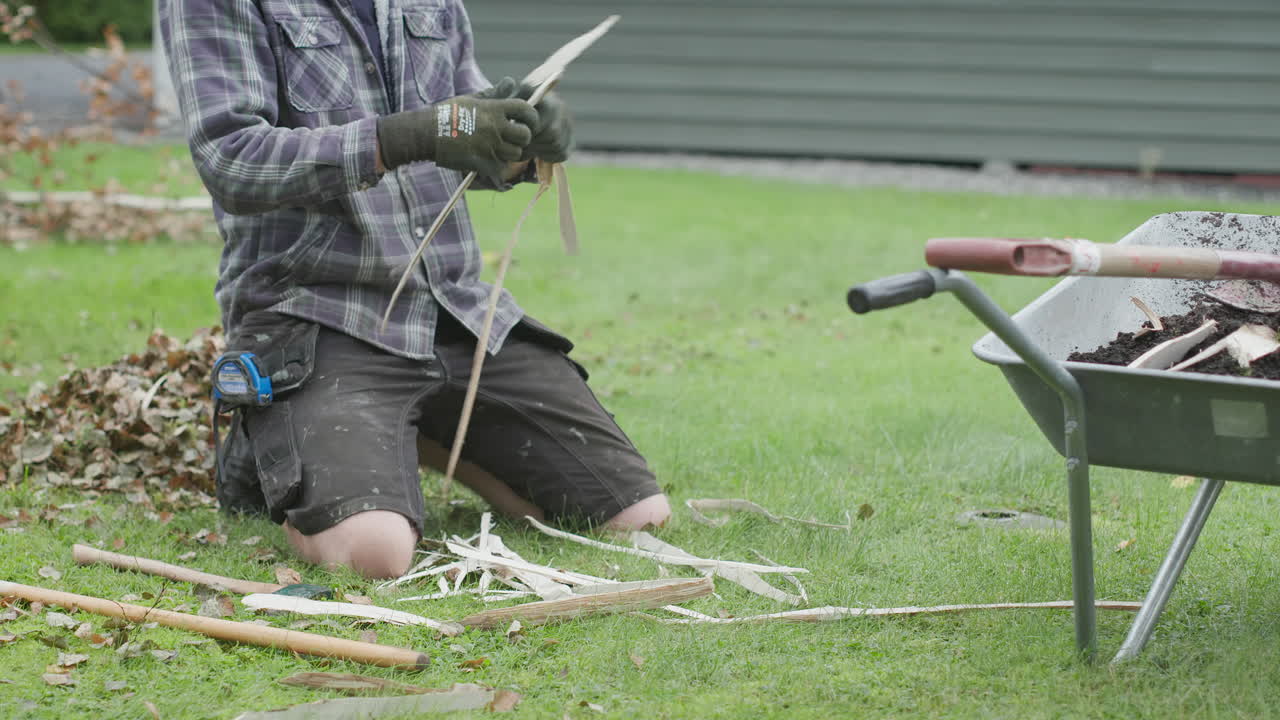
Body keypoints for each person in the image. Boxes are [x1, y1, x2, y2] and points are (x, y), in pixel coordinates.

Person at [159, 0, 671, 579]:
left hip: (451, 311)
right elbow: (231, 158)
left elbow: (467, 134)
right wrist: (408, 135)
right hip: (316, 316)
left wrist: (521, 136)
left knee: (638, 518)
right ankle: (267, 450)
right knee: (375, 555)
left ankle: (406, 430)